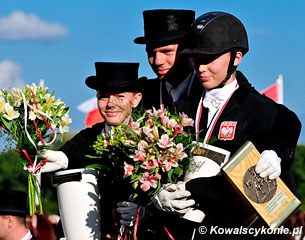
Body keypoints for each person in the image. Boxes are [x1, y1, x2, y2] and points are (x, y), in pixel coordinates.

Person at [152, 11, 302, 240]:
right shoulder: (181, 107)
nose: (200, 68)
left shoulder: (257, 108)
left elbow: (289, 121)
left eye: (209, 58)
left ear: (237, 57)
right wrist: (157, 195)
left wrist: (276, 152)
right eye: (196, 59)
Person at [40, 62, 145, 239]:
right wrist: (41, 157)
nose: (111, 103)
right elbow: (63, 158)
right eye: (103, 96)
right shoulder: (88, 137)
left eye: (119, 96)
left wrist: (144, 213)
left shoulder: (153, 137)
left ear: (136, 99)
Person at [134, 9, 202, 118]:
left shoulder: (209, 92)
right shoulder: (142, 96)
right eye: (151, 53)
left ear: (189, 50)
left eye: (166, 52)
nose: (157, 61)